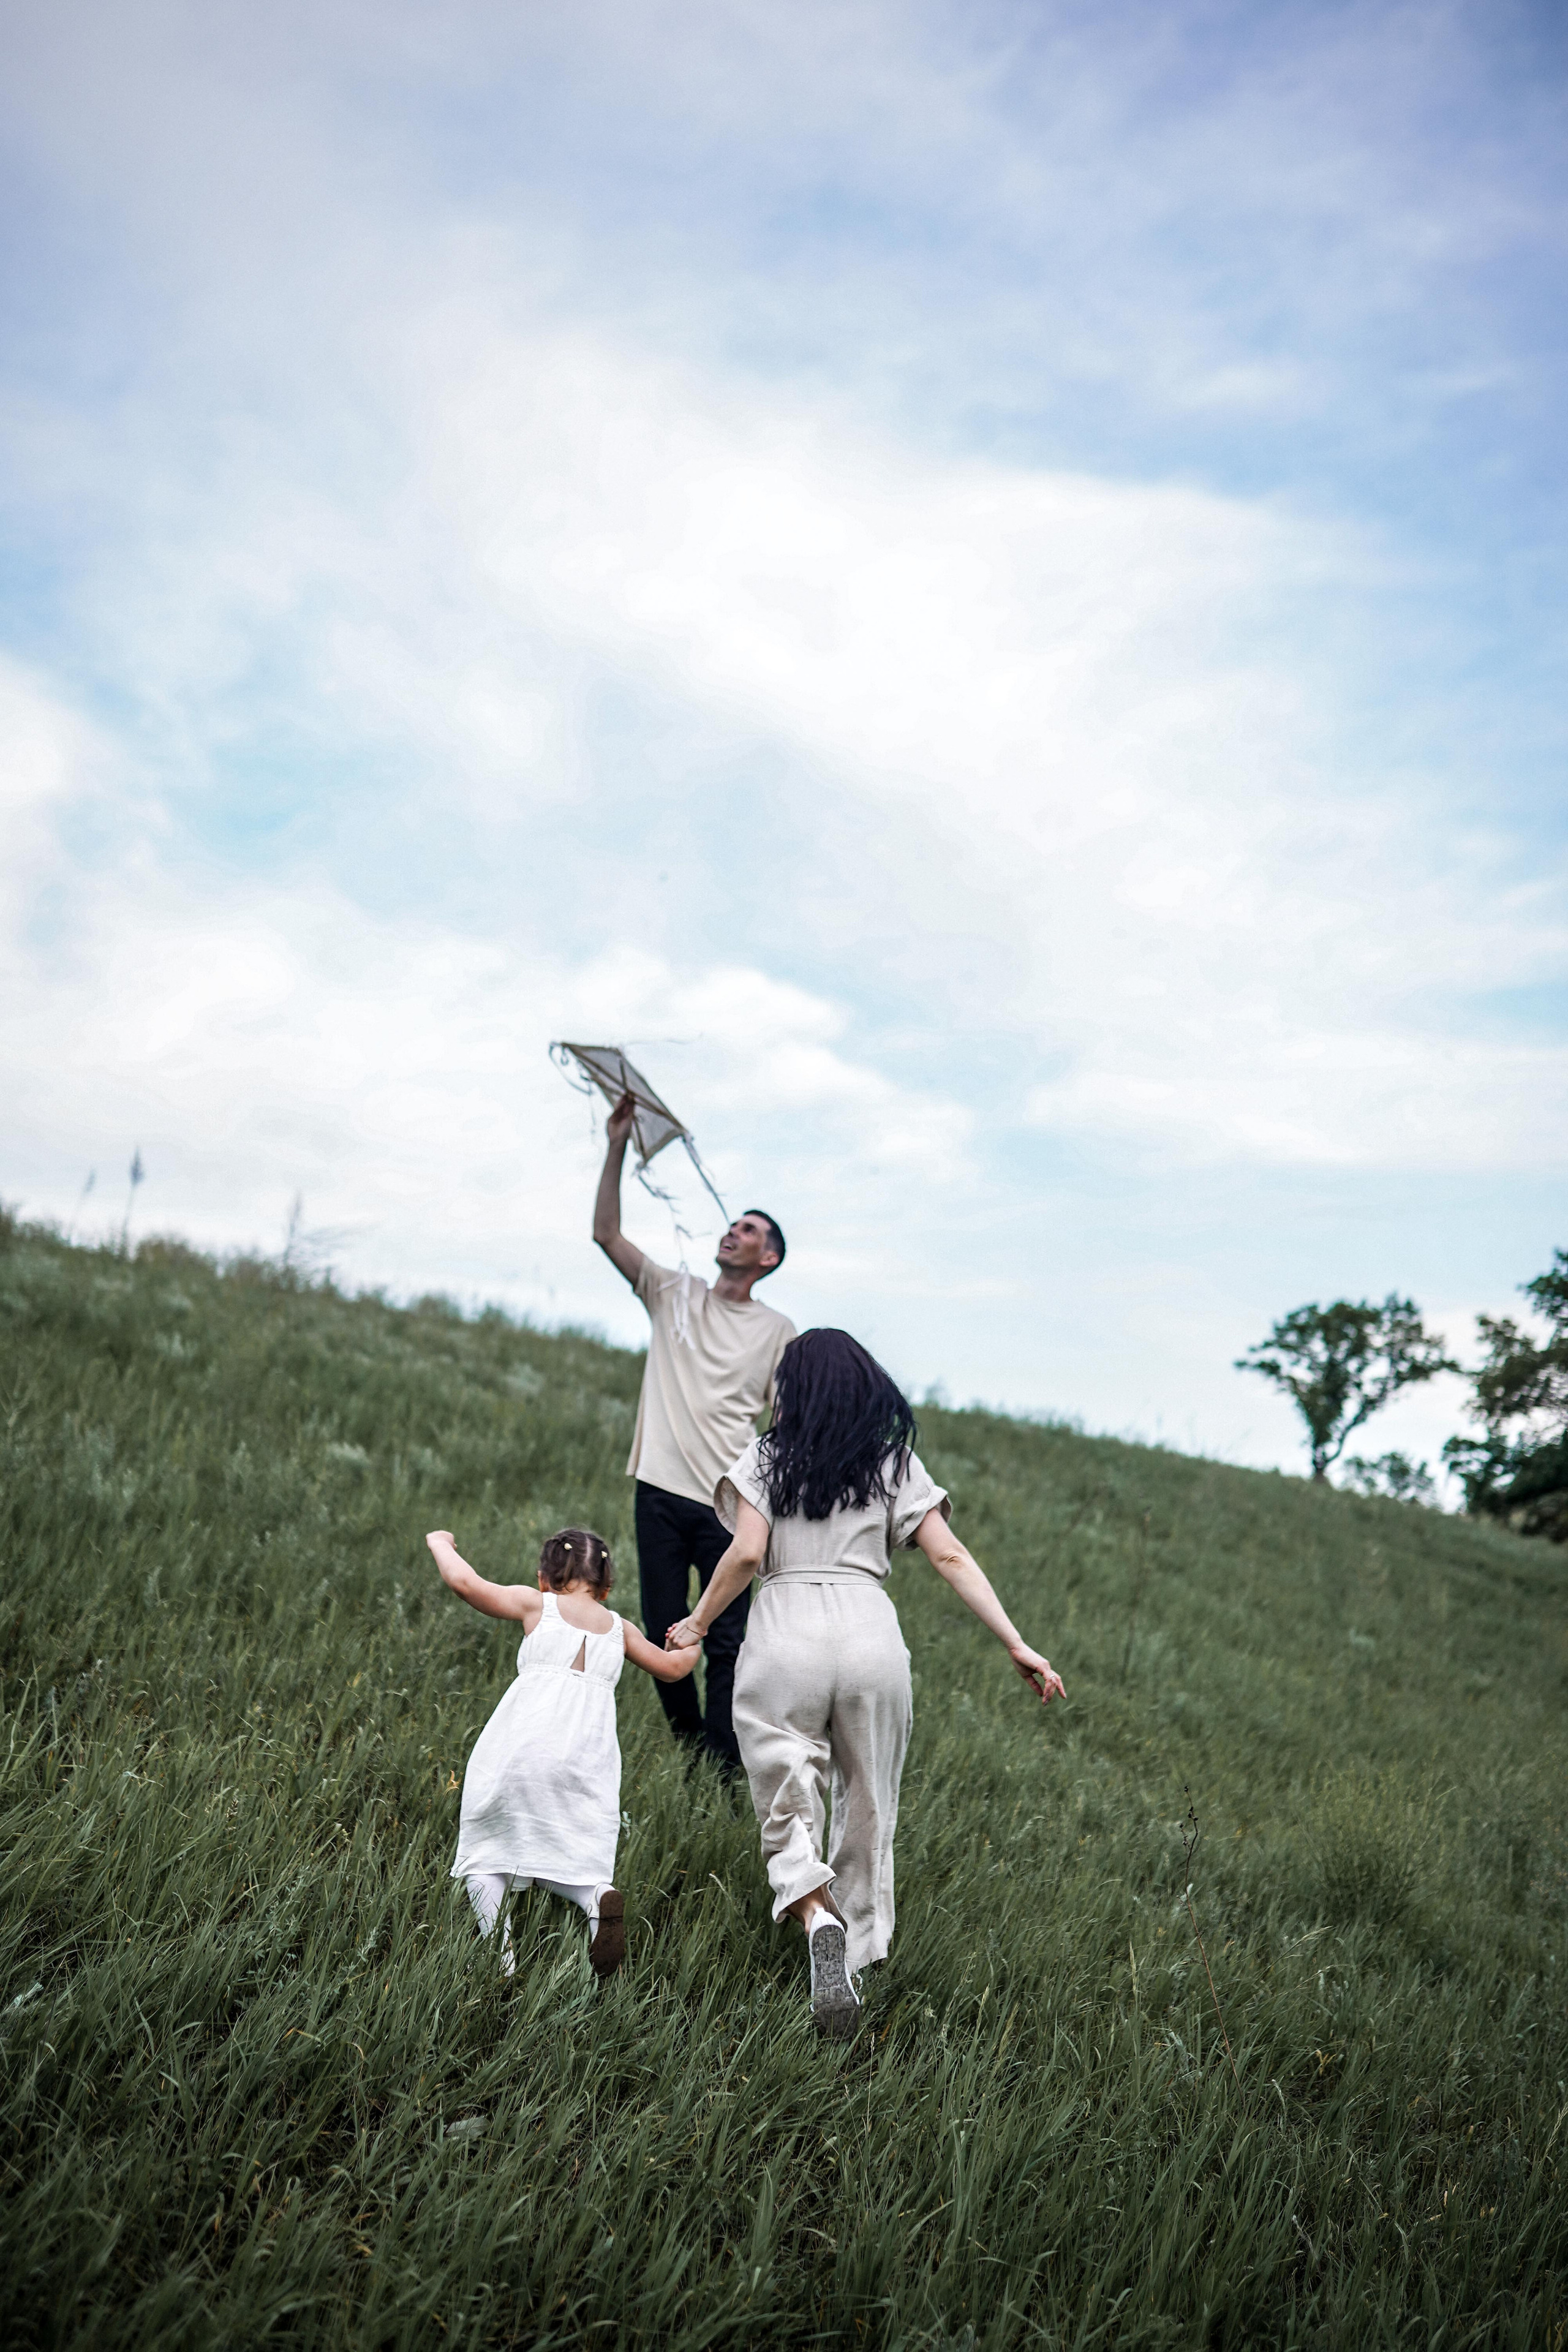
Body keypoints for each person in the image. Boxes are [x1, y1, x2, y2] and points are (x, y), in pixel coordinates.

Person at [665, 1329, 1066, 2037]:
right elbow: (950, 1557)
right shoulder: (893, 1463)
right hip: (870, 1632)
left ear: (795, 1388)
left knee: (787, 1789)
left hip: (785, 1627)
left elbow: (746, 1551)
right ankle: (849, 1959)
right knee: (868, 1803)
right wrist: (1016, 1641)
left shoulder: (766, 1456)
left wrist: (698, 1623)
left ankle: (811, 1908)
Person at [593, 1090, 795, 1776]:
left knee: (727, 1641)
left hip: (731, 1503)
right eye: (732, 1225)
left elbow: (785, 1421)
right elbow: (607, 1236)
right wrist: (618, 1143)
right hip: (658, 1489)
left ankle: (722, 1767)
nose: (733, 1233)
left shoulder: (777, 1331)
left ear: (767, 1259)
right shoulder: (672, 1293)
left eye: (749, 1231)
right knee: (660, 1629)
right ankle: (691, 1747)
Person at [428, 1524, 700, 1977]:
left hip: (522, 1748)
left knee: (486, 1849)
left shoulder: (538, 1605)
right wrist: (689, 1644)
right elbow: (672, 1669)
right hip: (587, 1761)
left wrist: (441, 1543)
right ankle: (594, 1898)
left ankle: (502, 1960)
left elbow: (465, 1584)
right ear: (606, 1587)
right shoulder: (619, 1629)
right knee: (574, 1850)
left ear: (545, 1577)